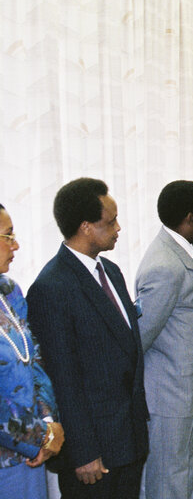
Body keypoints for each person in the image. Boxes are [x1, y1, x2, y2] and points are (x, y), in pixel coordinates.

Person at [27, 178, 149, 498]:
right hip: (93, 449)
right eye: (111, 221)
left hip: (129, 436)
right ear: (85, 227)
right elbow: (62, 379)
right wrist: (83, 451)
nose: (119, 228)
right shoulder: (51, 288)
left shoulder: (111, 271)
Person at [135, 180, 193, 499]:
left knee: (187, 470)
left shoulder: (183, 250)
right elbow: (139, 339)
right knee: (168, 477)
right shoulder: (164, 266)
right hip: (169, 395)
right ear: (189, 217)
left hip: (187, 391)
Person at [0, 204, 63, 498]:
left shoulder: (10, 291)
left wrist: (49, 423)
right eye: (8, 235)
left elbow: (34, 359)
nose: (17, 244)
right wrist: (40, 438)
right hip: (11, 455)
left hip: (32, 455)